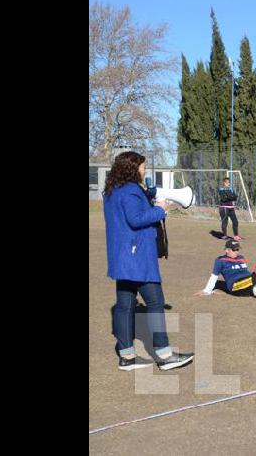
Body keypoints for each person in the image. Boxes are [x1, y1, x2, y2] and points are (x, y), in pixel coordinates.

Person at [103, 151, 193, 371]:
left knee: (124, 306)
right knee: (155, 303)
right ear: (133, 168)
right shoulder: (132, 190)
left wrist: (149, 199)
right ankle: (164, 355)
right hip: (138, 258)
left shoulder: (112, 191)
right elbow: (136, 219)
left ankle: (127, 357)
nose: (144, 170)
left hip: (122, 258)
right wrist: (159, 210)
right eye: (143, 166)